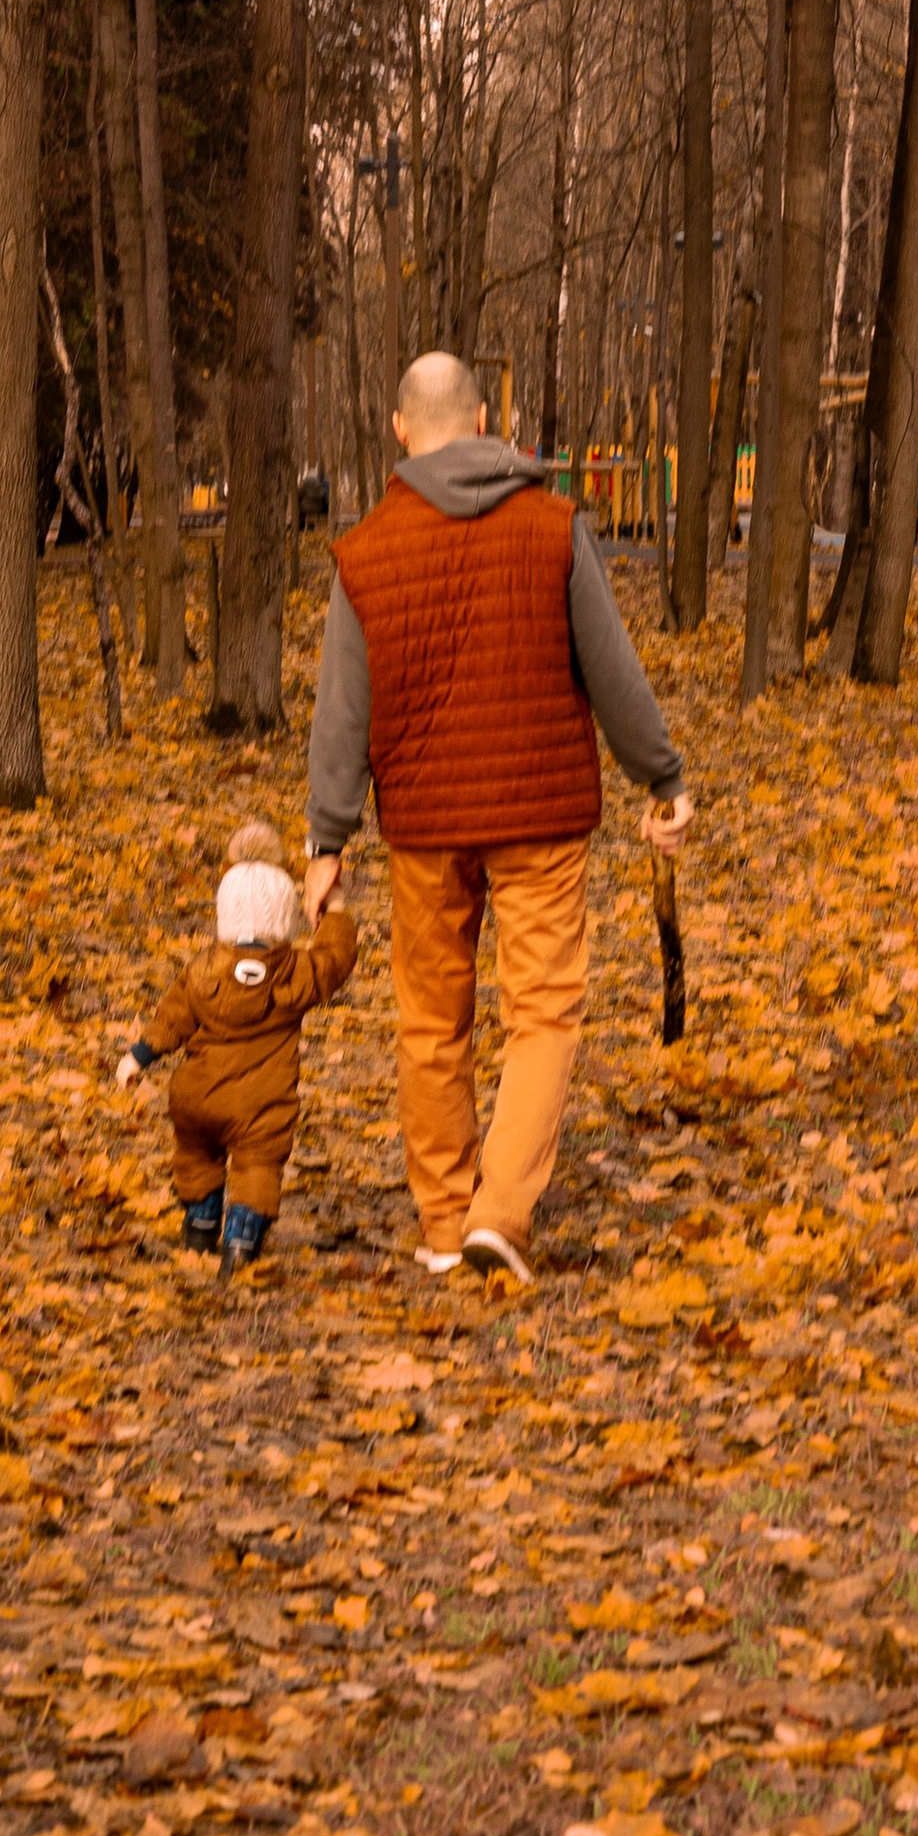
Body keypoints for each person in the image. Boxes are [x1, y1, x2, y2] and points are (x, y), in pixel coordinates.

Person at [304, 352, 691, 1282]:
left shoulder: (365, 551)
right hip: (541, 813)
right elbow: (612, 667)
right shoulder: (553, 526)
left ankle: (444, 1225)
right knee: (544, 1013)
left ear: (402, 429)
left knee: (431, 1024)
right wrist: (661, 777)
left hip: (425, 821)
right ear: (483, 419)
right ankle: (501, 1213)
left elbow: (341, 710)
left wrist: (325, 840)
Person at [116, 819, 358, 1270]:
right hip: (258, 1106)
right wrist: (337, 908)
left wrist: (138, 1055)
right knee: (257, 1167)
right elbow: (335, 960)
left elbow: (172, 1018)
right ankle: (240, 1246)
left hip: (196, 1097)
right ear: (284, 917)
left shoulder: (202, 969)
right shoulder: (296, 973)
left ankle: (199, 1230)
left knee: (197, 1156)